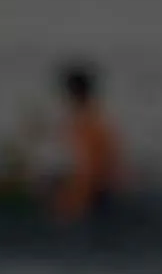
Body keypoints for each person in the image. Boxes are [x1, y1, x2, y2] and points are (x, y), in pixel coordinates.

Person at [50, 59, 126, 220]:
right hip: (107, 193)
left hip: (94, 198)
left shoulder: (84, 124)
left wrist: (71, 205)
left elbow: (89, 169)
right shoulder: (99, 120)